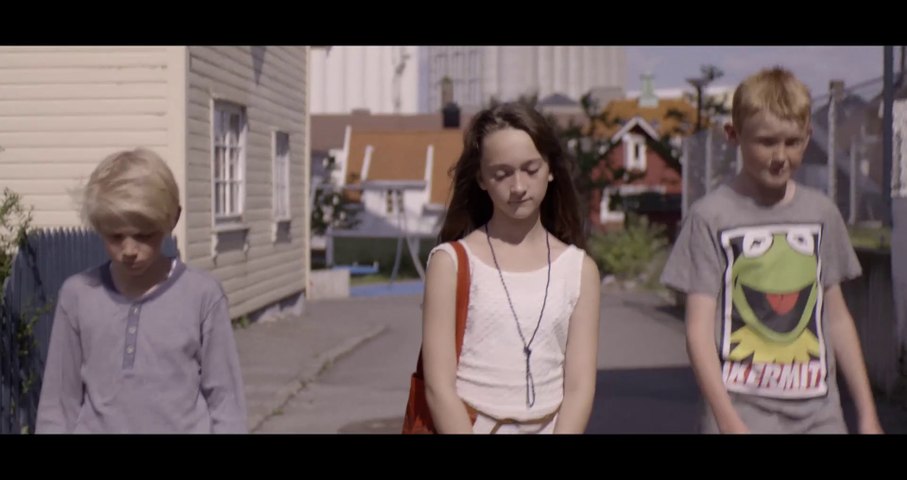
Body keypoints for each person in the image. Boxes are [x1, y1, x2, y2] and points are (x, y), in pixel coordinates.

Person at [661, 67, 883, 434]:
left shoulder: (821, 212)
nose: (780, 155)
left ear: (808, 137)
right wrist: (727, 421)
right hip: (741, 416)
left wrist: (868, 415)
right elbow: (698, 333)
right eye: (766, 142)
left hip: (820, 417)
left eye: (793, 142)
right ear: (734, 135)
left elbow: (837, 319)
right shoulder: (710, 217)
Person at [36, 148, 247, 433]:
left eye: (143, 235)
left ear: (172, 219)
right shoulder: (78, 295)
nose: (129, 250)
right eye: (115, 236)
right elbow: (58, 406)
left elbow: (226, 403)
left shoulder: (203, 296)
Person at [421, 102, 601, 434]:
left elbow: (579, 387)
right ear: (481, 178)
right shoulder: (451, 263)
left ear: (550, 169)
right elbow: (438, 388)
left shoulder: (579, 270)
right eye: (502, 174)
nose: (518, 187)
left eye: (531, 169)